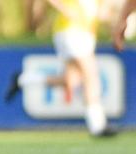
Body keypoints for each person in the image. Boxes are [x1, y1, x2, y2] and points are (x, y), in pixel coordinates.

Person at [6, 0, 117, 137]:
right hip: (73, 31)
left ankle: (23, 80)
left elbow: (101, 15)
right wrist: (66, 10)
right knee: (91, 76)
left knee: (71, 81)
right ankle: (98, 126)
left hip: (81, 34)